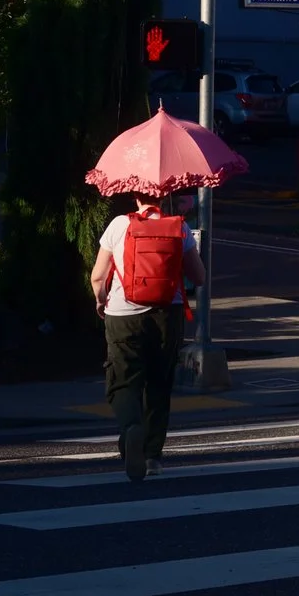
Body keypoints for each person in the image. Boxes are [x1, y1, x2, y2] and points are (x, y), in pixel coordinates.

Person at [88, 189, 206, 481]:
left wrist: (101, 300)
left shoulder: (119, 225)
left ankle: (131, 428)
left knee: (123, 382)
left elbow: (97, 276)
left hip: (123, 316)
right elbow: (199, 277)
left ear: (136, 199)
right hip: (168, 314)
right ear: (164, 198)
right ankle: (153, 456)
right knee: (159, 383)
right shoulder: (179, 227)